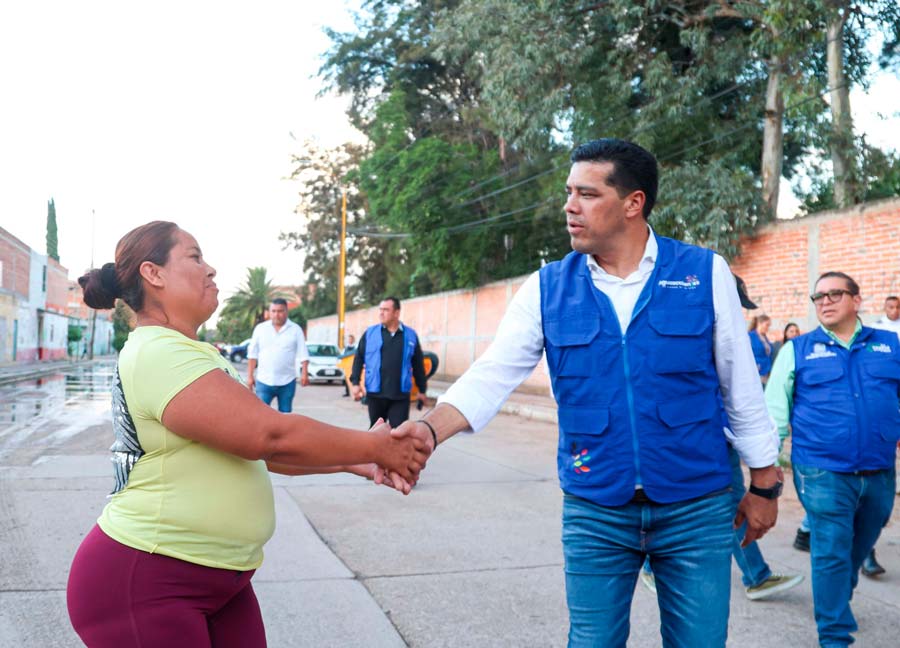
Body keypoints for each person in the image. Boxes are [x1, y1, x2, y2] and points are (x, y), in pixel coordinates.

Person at [388, 139, 781, 647]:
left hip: (695, 508)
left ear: (633, 203)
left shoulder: (703, 273)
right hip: (596, 510)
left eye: (587, 194)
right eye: (568, 193)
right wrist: (426, 430)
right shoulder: (547, 287)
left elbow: (741, 388)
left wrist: (765, 486)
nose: (569, 207)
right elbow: (492, 375)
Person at [67, 221, 430, 647]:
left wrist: (358, 461)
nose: (211, 270)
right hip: (149, 578)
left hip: (220, 579)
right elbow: (269, 435)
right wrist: (378, 445)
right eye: (195, 257)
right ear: (154, 274)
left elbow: (258, 451)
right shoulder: (157, 351)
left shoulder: (195, 352)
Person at [640, 280, 802, 602]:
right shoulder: (693, 334)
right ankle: (754, 575)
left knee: (721, 503)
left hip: (717, 434)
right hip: (703, 435)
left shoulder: (717, 332)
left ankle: (753, 574)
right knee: (724, 504)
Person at [766, 271, 898, 647]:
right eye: (818, 296)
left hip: (880, 470)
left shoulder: (891, 345)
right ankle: (835, 636)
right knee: (830, 552)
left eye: (834, 294)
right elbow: (775, 410)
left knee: (861, 544)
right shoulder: (798, 349)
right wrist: (768, 465)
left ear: (856, 300)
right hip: (822, 471)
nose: (823, 301)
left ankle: (837, 595)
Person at [350, 297, 428, 427]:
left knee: (399, 433)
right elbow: (358, 358)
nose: (381, 313)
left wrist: (422, 389)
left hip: (400, 395)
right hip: (376, 394)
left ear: (396, 313)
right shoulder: (370, 333)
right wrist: (355, 383)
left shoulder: (410, 335)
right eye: (380, 309)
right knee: (376, 431)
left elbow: (418, 364)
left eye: (386, 310)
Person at [246, 298, 309, 413]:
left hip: (287, 381)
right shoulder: (260, 329)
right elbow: (252, 354)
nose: (276, 314)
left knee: (285, 415)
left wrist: (304, 373)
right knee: (261, 415)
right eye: (273, 311)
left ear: (286, 311)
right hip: (264, 381)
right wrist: (250, 376)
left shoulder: (296, 330)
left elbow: (303, 353)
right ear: (269, 312)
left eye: (280, 311)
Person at [748, 314, 773, 382]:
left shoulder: (765, 338)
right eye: (767, 325)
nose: (768, 328)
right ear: (759, 324)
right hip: (756, 372)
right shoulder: (750, 336)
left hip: (766, 371)